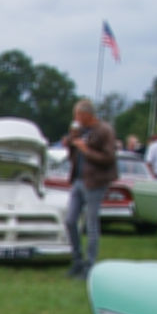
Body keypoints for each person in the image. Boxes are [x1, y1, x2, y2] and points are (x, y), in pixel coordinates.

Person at [62, 98, 118, 279]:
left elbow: (109, 158)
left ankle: (90, 265)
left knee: (91, 224)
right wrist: (71, 143)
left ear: (86, 115)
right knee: (70, 220)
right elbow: (73, 153)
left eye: (77, 115)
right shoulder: (81, 131)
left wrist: (86, 150)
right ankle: (77, 260)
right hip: (78, 180)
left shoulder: (104, 130)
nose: (76, 119)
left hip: (95, 182)